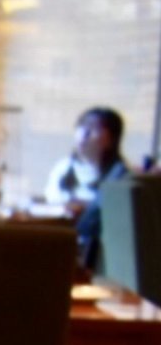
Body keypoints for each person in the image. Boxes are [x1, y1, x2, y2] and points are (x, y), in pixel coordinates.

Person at [45, 106, 128, 270]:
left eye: (94, 128)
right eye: (82, 126)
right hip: (62, 239)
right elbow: (52, 199)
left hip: (98, 250)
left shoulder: (120, 175)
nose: (84, 134)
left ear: (111, 138)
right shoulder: (63, 168)